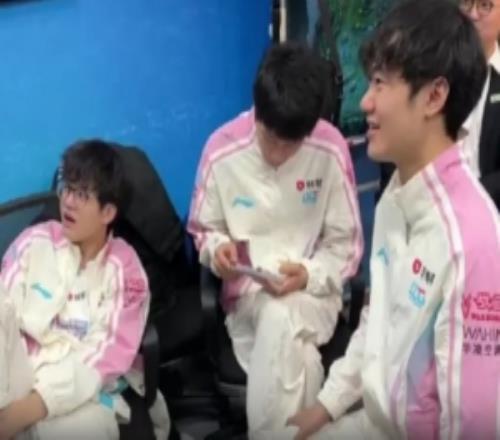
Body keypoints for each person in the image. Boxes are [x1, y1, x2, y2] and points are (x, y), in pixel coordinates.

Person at [282, 0, 500, 439]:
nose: (365, 101)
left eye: (380, 83)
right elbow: (376, 323)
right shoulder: (394, 200)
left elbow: (473, 423)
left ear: (434, 96)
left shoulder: (470, 240)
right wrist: (325, 407)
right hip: (374, 422)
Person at [188, 42, 363, 434]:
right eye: (271, 139)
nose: (280, 154)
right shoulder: (221, 150)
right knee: (298, 352)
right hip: (249, 300)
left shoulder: (330, 147)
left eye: (292, 144)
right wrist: (218, 251)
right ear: (257, 111)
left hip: (315, 296)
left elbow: (346, 246)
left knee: (281, 314)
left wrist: (308, 275)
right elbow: (204, 231)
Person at [0, 140, 151, 440]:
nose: (68, 202)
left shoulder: (125, 269)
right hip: (20, 376)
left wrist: (30, 408)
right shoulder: (35, 242)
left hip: (82, 395)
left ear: (107, 212)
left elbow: (102, 359)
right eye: (67, 189)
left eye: (81, 194)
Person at [378, 0, 500, 210]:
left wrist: (464, 199)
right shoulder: (426, 70)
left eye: (484, 6)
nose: (473, 15)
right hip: (423, 209)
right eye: (466, 4)